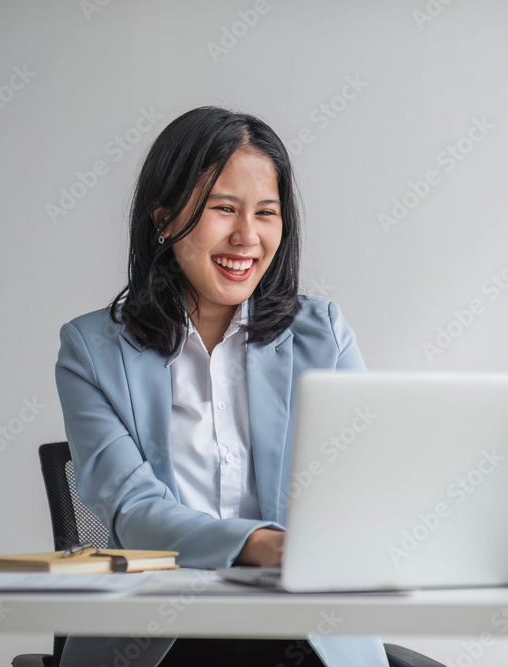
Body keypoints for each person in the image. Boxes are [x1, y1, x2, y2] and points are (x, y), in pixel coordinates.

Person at [54, 106, 391, 667]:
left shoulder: (323, 335)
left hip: (308, 633)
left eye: (266, 213)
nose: (247, 236)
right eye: (224, 209)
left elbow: (361, 490)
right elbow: (133, 511)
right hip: (156, 640)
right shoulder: (91, 350)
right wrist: (257, 543)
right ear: (164, 219)